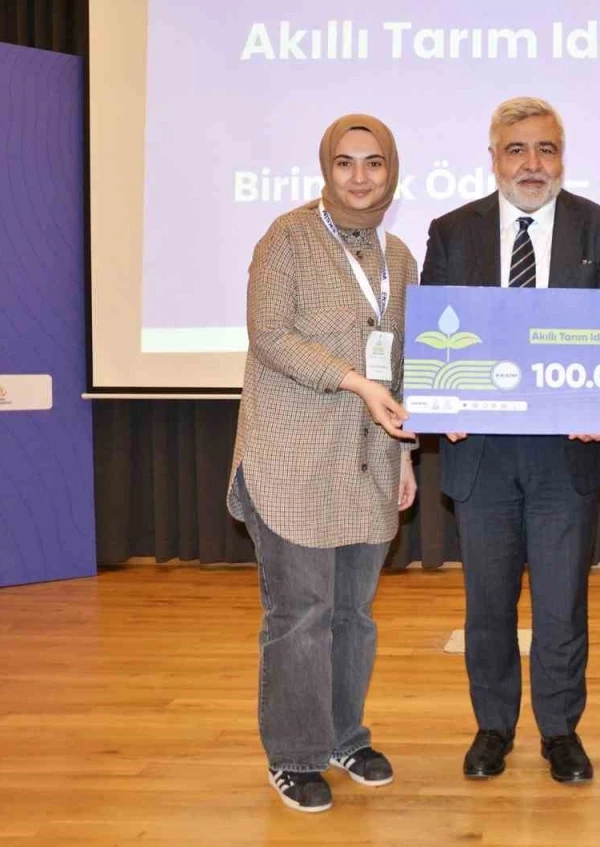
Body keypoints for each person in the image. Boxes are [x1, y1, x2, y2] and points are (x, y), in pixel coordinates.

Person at [420, 97, 600, 783]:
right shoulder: (452, 231)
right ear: (494, 158)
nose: (532, 163)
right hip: (480, 449)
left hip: (564, 451)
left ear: (562, 157)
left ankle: (560, 731)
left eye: (546, 149)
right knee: (487, 603)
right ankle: (493, 727)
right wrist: (439, 398)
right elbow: (433, 329)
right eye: (517, 149)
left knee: (562, 603)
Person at [226, 114, 418, 813]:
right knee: (300, 614)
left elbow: (400, 363)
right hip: (290, 459)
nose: (360, 176)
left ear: (391, 171)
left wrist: (405, 455)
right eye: (345, 162)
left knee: (353, 614)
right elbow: (269, 335)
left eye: (374, 162)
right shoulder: (287, 237)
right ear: (325, 169)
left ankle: (344, 736)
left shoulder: (399, 257)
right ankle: (295, 755)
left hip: (368, 462)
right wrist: (355, 382)